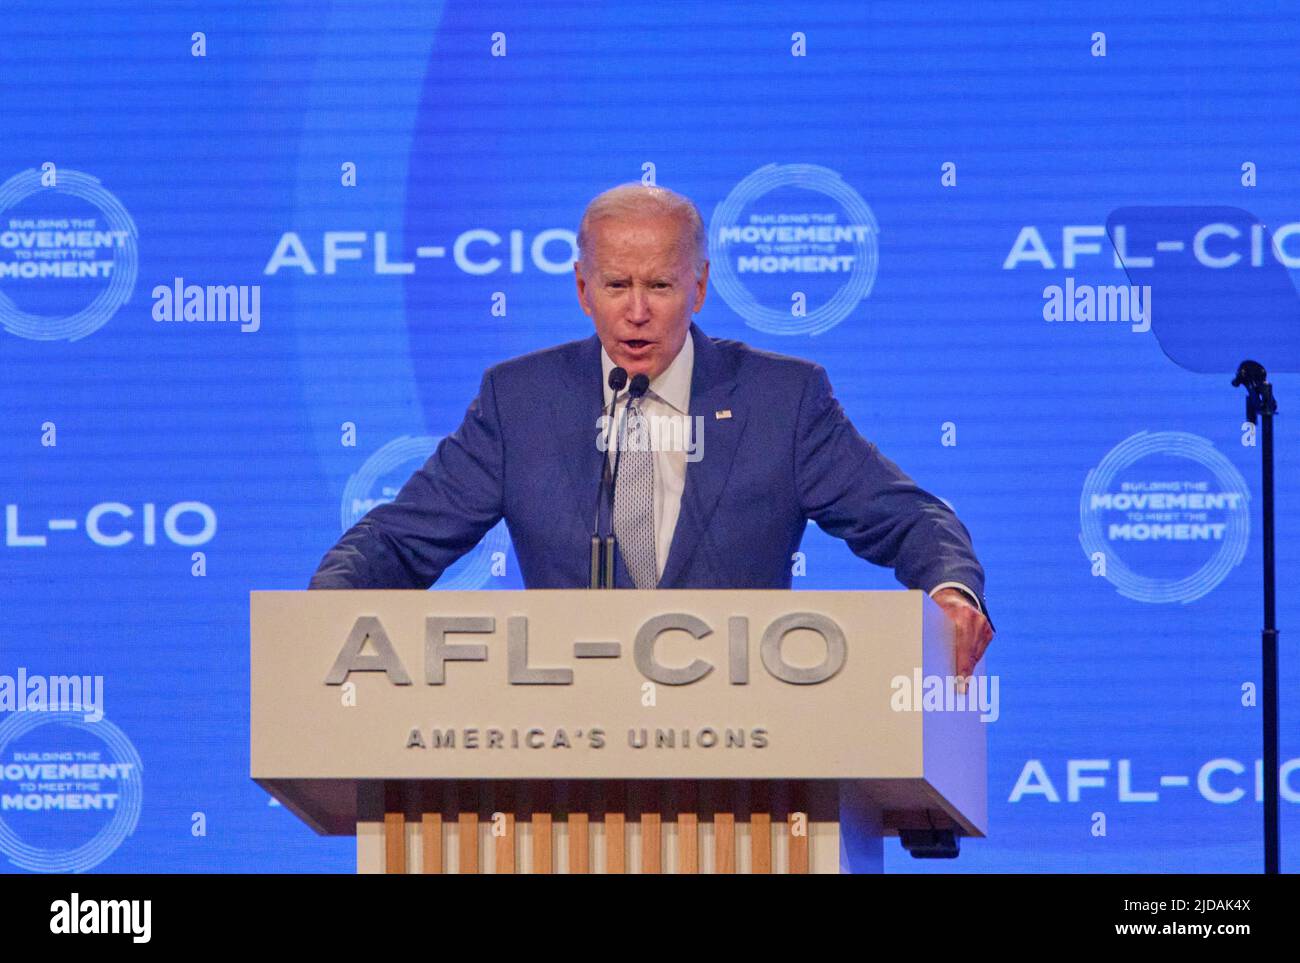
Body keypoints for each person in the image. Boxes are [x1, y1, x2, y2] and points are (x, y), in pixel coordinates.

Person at [310, 183, 994, 676]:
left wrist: (950, 589)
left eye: (660, 287)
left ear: (698, 288)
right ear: (582, 289)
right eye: (616, 286)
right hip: (565, 756)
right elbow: (400, 539)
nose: (637, 312)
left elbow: (908, 518)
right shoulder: (520, 402)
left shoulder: (781, 401)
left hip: (747, 753)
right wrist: (321, 612)